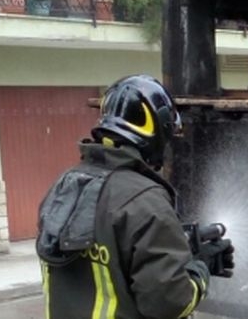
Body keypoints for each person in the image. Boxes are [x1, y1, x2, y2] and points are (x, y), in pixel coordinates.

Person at [35, 74, 235, 318]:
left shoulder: (65, 186)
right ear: (156, 131)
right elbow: (170, 303)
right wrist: (199, 272)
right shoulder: (145, 201)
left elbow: (112, 251)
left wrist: (179, 248)